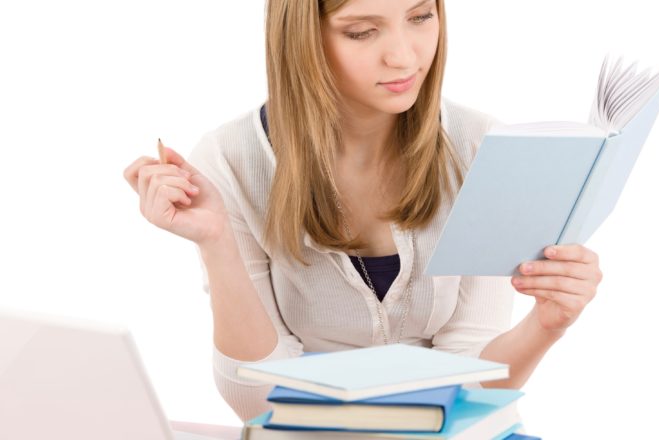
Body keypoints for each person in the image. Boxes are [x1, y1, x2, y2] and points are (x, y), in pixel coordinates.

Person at [123, 0, 603, 423]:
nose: (404, 55)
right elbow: (261, 402)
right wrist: (216, 243)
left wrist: (545, 324)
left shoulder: (482, 148)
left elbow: (473, 378)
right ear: (302, 36)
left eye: (420, 17)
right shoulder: (230, 159)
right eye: (362, 31)